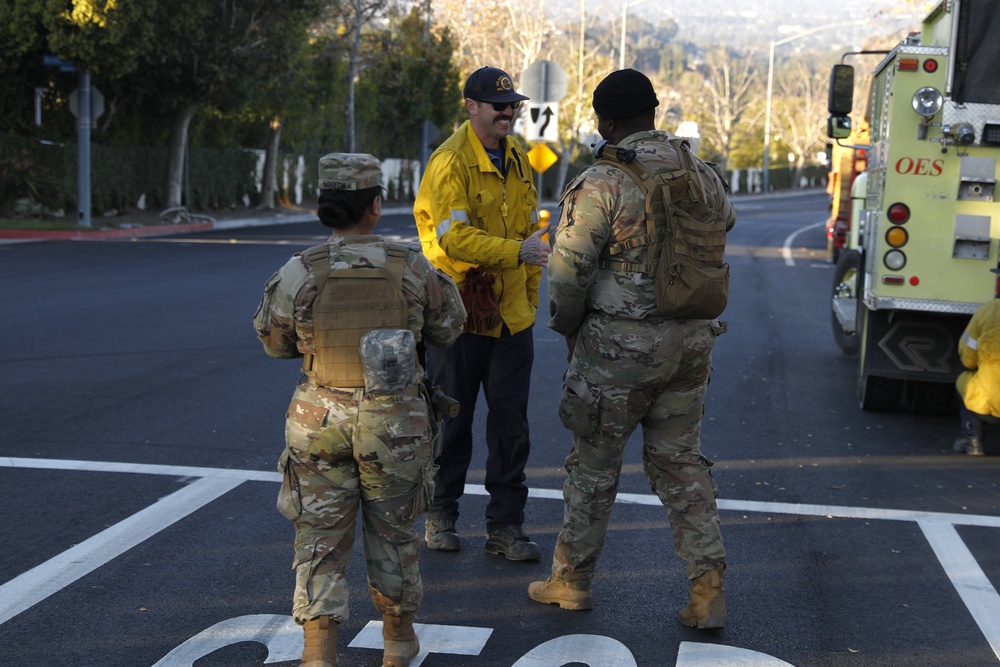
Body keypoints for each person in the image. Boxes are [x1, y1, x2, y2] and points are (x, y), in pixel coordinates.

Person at [527, 69, 736, 631]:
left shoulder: (604, 180)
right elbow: (724, 227)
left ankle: (571, 582)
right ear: (655, 111)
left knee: (594, 464)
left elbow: (568, 268)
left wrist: (568, 329)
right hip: (691, 342)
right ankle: (707, 589)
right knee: (680, 462)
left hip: (618, 346)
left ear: (607, 122)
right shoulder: (704, 175)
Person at [254, 153, 466, 667]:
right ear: (375, 205)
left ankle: (318, 651)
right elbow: (449, 328)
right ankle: (397, 643)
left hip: (318, 420)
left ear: (324, 208)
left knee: (320, 537)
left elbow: (274, 342)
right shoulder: (411, 266)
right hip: (394, 424)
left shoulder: (299, 271)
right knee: (394, 534)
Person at [413, 66, 550, 562]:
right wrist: (520, 256)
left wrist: (530, 295)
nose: (509, 112)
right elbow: (452, 237)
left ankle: (506, 528)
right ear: (471, 107)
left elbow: (534, 234)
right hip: (460, 312)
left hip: (512, 315)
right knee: (453, 418)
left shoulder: (518, 156)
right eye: (499, 105)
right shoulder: (449, 162)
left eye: (513, 104)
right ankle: (441, 515)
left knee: (511, 425)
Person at [953, 263, 1000, 456]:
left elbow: (968, 358)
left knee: (964, 382)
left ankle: (972, 440)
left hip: (990, 400)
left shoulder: (988, 311)